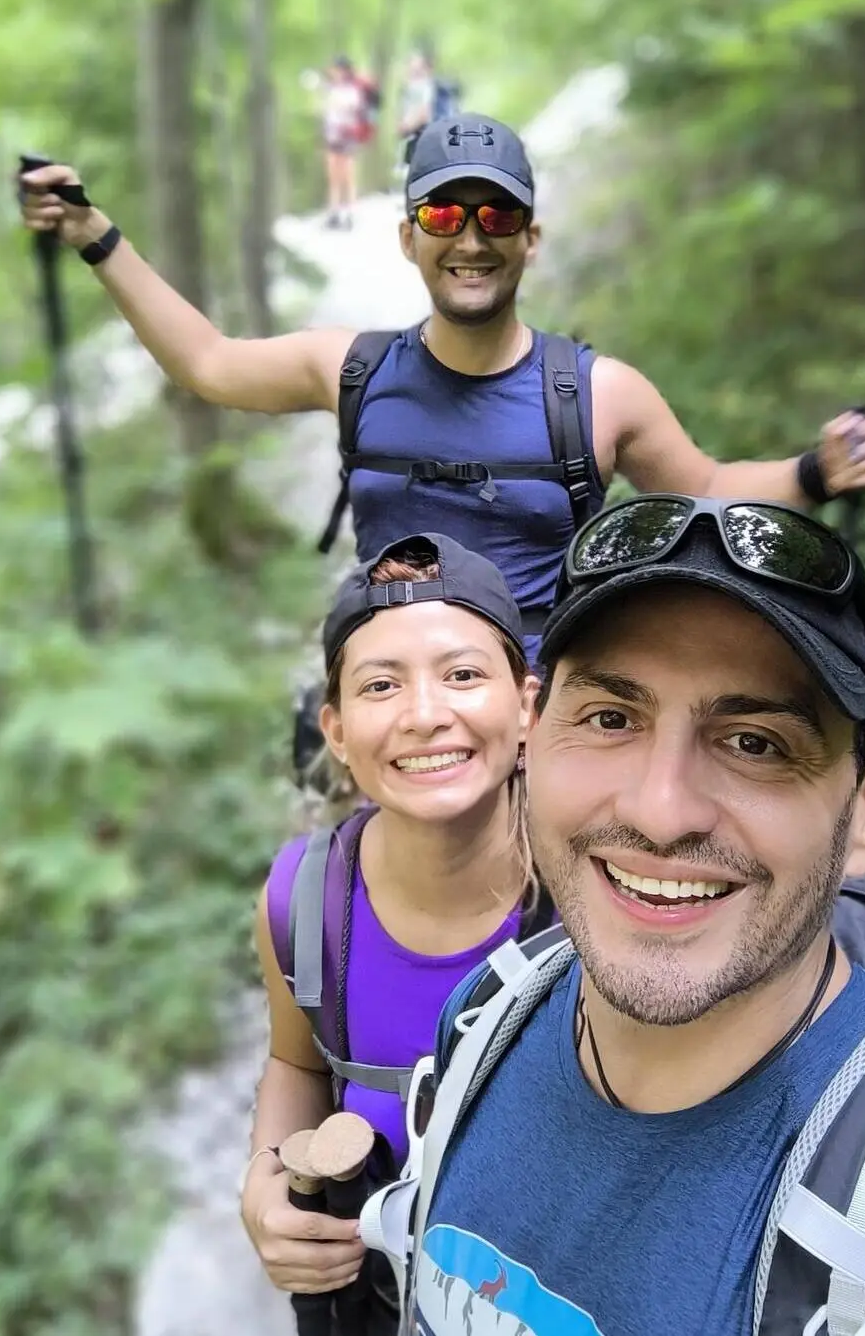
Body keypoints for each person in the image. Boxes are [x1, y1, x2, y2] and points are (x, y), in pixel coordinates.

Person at [400, 496, 865, 1334]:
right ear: (532, 735)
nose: (662, 812)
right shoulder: (492, 1012)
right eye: (611, 718)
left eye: (755, 743)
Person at [18, 116, 865, 668]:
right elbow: (208, 363)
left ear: (530, 239)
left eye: (498, 215)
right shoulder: (352, 370)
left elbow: (706, 488)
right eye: (445, 214)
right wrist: (96, 235)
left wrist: (817, 472)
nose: (472, 239)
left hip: (536, 714)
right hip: (393, 705)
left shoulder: (596, 395)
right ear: (409, 237)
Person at [240, 532, 555, 1332]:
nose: (424, 715)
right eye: (381, 685)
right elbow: (296, 1061)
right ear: (337, 730)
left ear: (527, 706)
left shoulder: (594, 890)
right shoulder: (304, 899)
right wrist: (265, 1180)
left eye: (462, 675)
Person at [321, 55, 365, 230]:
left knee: (347, 176)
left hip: (347, 137)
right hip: (332, 137)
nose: (334, 73)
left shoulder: (351, 90)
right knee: (333, 176)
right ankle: (334, 212)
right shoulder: (331, 89)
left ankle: (350, 213)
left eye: (337, 69)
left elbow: (352, 109)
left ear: (344, 71)